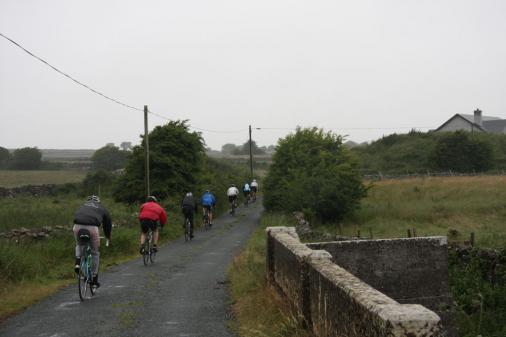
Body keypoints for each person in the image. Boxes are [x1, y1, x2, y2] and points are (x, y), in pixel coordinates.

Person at [73, 195, 112, 288]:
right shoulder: (102, 208)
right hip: (92, 228)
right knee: (95, 253)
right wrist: (107, 236)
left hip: (77, 227)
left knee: (79, 245)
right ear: (98, 202)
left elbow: (77, 216)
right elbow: (107, 224)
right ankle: (94, 279)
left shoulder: (82, 206)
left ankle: (78, 261)